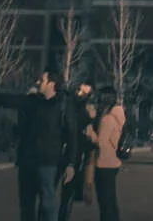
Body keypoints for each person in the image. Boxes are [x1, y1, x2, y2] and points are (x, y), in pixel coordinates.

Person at [0, 66, 78, 221]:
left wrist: (71, 163)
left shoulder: (63, 106)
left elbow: (72, 137)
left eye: (42, 80)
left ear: (52, 84)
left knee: (47, 203)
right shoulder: (32, 101)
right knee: (26, 204)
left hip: (48, 161)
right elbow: (4, 100)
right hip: (27, 160)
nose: (38, 82)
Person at [85, 86, 125, 221]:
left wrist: (90, 131)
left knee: (105, 201)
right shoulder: (116, 116)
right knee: (110, 200)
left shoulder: (107, 119)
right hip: (112, 162)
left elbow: (101, 142)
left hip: (104, 162)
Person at [58, 82, 95, 221]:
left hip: (74, 154)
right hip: (60, 151)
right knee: (49, 191)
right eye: (78, 90)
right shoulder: (68, 105)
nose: (79, 94)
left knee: (67, 192)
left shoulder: (85, 111)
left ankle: (63, 217)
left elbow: (90, 133)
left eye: (83, 93)